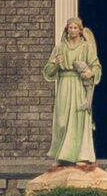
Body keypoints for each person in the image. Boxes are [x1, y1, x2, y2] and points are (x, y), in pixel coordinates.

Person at [43, 17, 103, 165]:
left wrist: (90, 72)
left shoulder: (86, 47)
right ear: (66, 30)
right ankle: (62, 156)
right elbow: (48, 71)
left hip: (79, 86)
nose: (72, 30)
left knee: (79, 119)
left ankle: (81, 155)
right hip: (64, 84)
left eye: (75, 28)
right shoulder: (60, 48)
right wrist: (56, 65)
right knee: (62, 120)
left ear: (80, 30)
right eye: (70, 27)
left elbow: (96, 66)